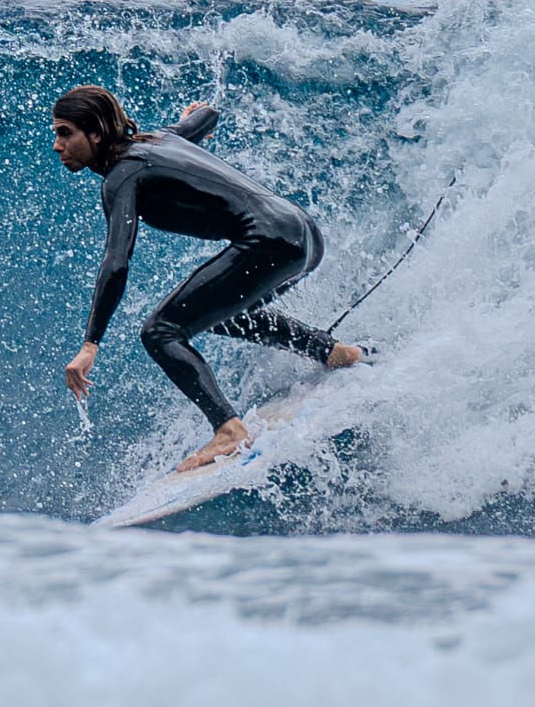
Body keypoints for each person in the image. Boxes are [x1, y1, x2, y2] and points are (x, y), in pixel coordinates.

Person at [52, 84, 365, 471]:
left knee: (160, 331)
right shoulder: (162, 138)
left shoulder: (121, 177)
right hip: (302, 234)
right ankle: (334, 352)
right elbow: (208, 115)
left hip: (270, 240)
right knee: (216, 313)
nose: (57, 145)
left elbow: (117, 260)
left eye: (65, 132)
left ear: (95, 133)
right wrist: (191, 120)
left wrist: (90, 344)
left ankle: (229, 430)